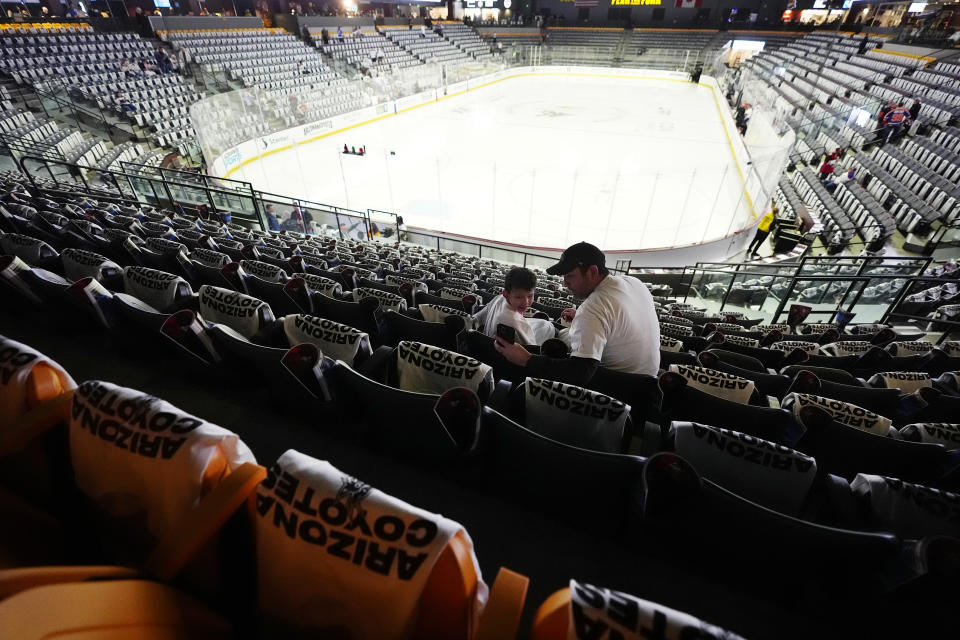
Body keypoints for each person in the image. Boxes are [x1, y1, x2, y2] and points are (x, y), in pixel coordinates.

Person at [493, 242, 660, 384]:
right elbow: (619, 316)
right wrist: (587, 319)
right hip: (649, 381)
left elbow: (579, 373)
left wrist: (526, 359)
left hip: (619, 390)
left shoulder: (593, 308)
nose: (565, 283)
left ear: (593, 272)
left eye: (570, 276)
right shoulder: (634, 282)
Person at [475, 267, 556, 346]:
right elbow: (530, 351)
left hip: (494, 336)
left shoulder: (499, 298)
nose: (526, 303)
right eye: (519, 297)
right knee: (549, 327)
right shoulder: (514, 323)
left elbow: (478, 317)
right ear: (506, 294)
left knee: (545, 324)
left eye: (530, 296)